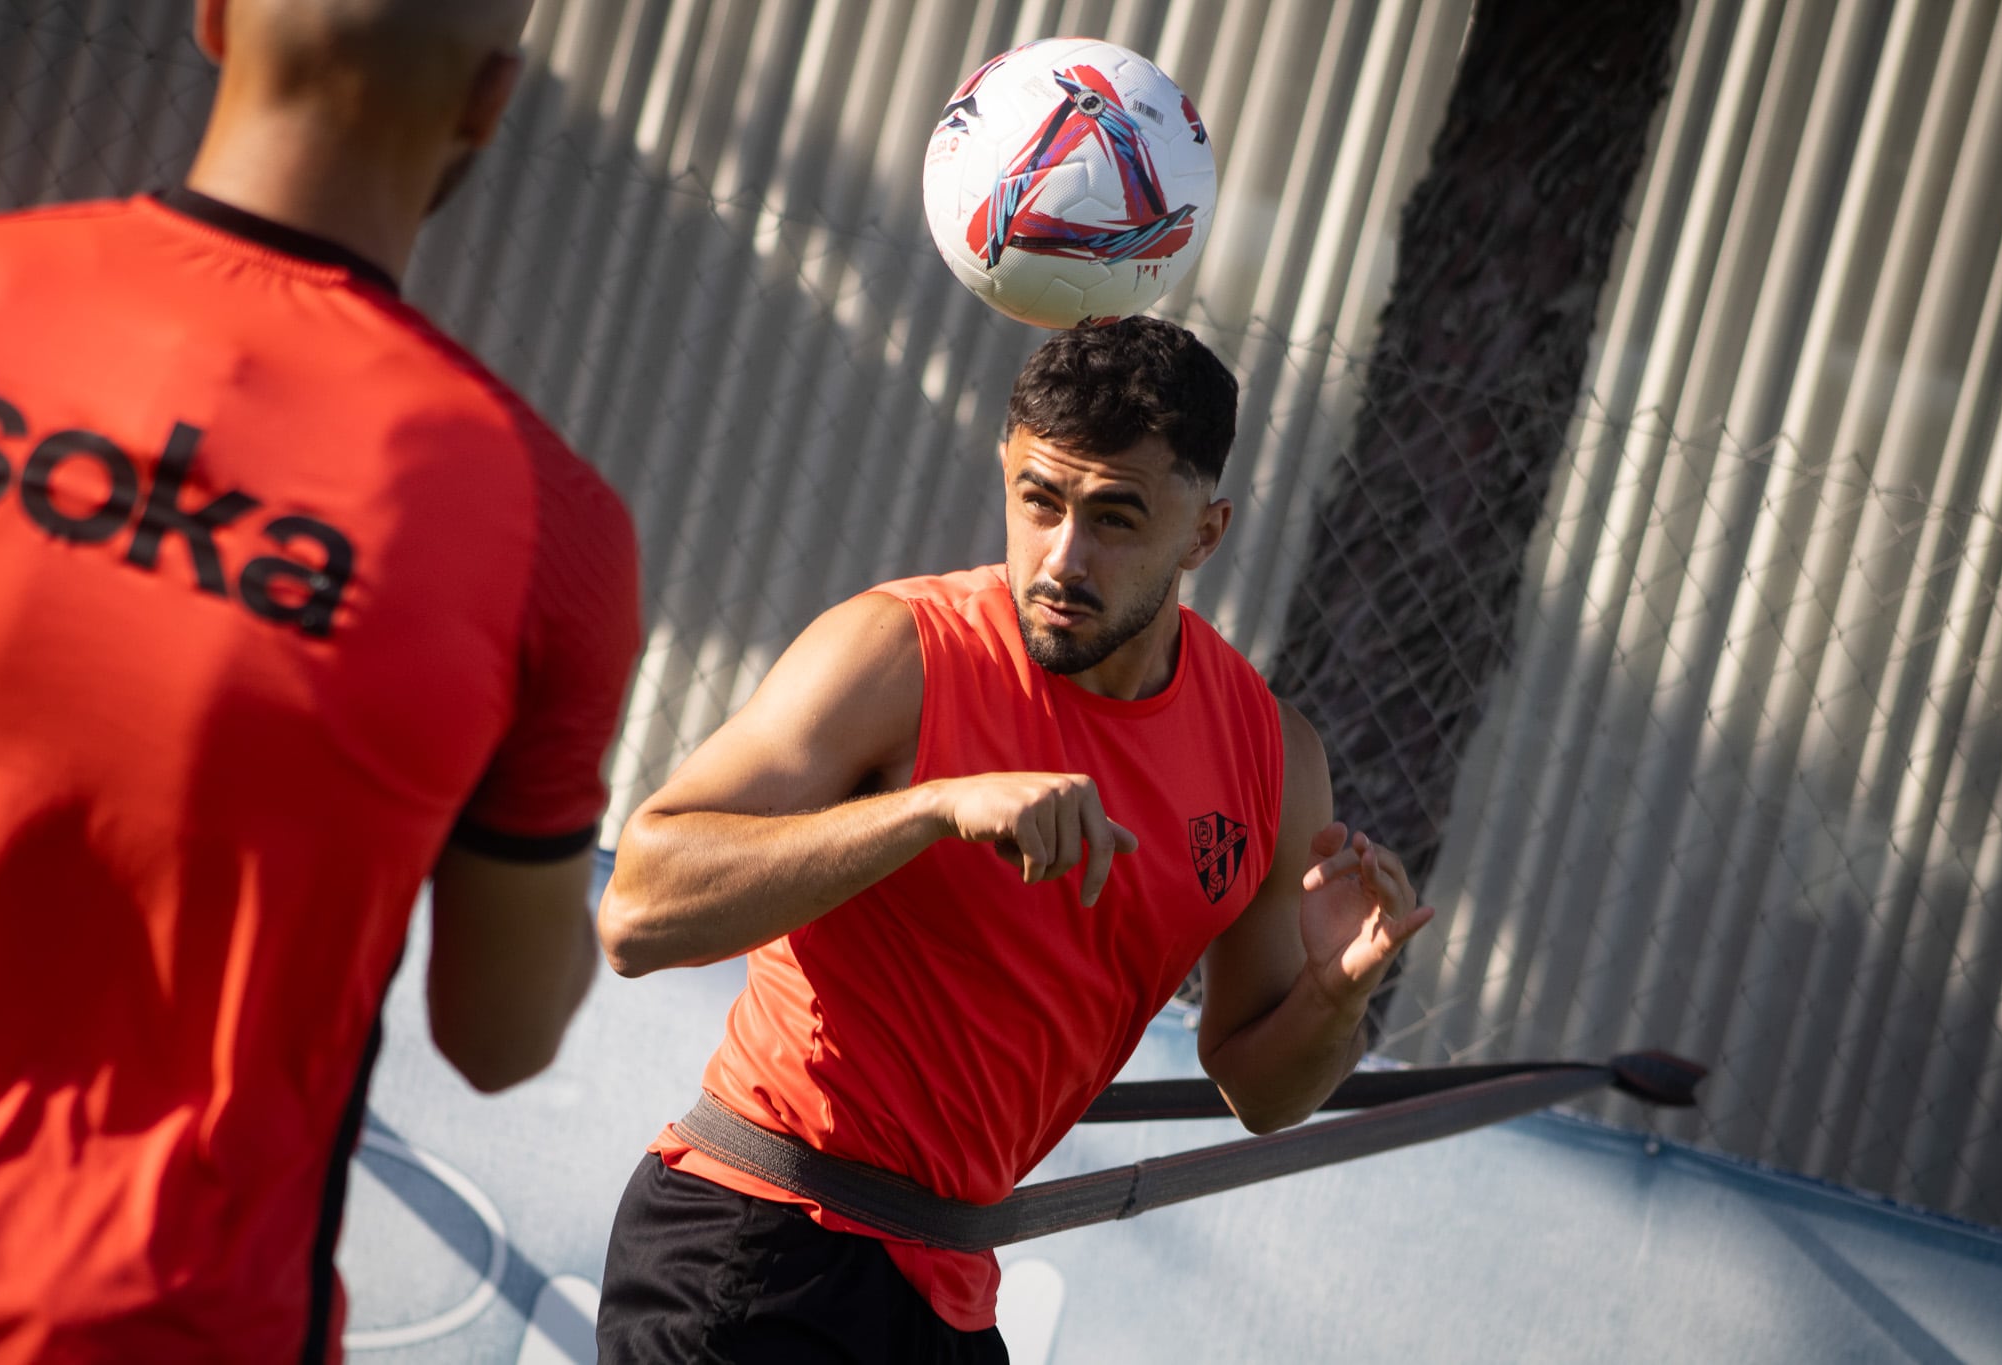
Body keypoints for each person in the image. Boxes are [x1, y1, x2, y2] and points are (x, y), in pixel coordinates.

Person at [0, 2, 641, 1360]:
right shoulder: (546, 528)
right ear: (489, 103)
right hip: (164, 1324)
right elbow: (500, 1032)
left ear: (215, 19)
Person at [594, 316, 1434, 1363]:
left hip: (947, 1287)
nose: (1061, 558)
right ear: (1005, 470)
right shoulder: (900, 650)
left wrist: (1333, 998)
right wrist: (931, 808)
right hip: (759, 1240)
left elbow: (1262, 1093)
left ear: (1203, 535)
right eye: (1038, 502)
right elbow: (633, 914)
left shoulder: (1271, 758)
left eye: (1115, 518)